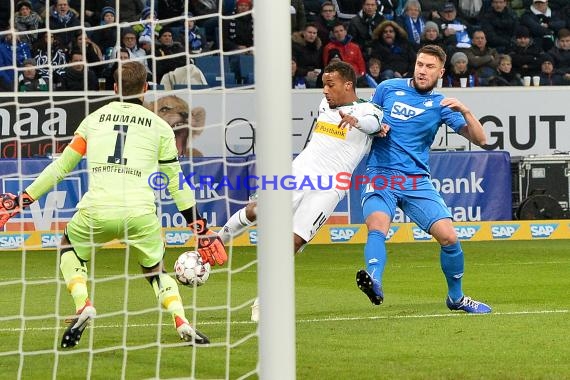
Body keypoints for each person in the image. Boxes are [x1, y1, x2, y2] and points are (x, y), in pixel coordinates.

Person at [0, 61, 227, 348]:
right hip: (140, 213)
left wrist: (21, 200)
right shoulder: (160, 127)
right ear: (146, 89)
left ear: (115, 88)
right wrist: (201, 227)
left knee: (68, 246)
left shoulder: (93, 120)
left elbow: (61, 168)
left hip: (97, 209)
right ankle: (181, 320)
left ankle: (83, 304)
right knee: (155, 269)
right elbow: (176, 183)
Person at [218, 61, 387, 320]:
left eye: (331, 85)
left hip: (330, 188)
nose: (325, 91)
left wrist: (358, 122)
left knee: (292, 242)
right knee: (256, 210)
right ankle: (212, 247)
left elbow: (374, 123)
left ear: (348, 85)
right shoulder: (325, 106)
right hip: (298, 173)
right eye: (323, 85)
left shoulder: (369, 109)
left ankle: (264, 301)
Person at [356, 44, 492, 314]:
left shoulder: (442, 105)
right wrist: (375, 126)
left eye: (430, 67)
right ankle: (375, 280)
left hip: (416, 180)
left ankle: (456, 298)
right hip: (381, 173)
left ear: (441, 71)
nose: (422, 71)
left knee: (450, 238)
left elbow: (481, 139)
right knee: (377, 227)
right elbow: (368, 117)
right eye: (420, 64)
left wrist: (465, 110)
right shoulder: (388, 88)